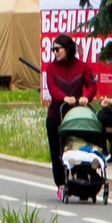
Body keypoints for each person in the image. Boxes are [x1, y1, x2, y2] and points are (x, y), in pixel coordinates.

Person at [40, 34, 99, 196]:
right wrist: (64, 97)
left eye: (57, 49)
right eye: (53, 49)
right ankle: (60, 183)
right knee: (57, 150)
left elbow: (91, 85)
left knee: (78, 147)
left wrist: (86, 96)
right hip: (56, 116)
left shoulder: (82, 67)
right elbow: (52, 88)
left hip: (76, 117)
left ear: (67, 49)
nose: (55, 52)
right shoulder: (51, 68)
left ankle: (81, 179)